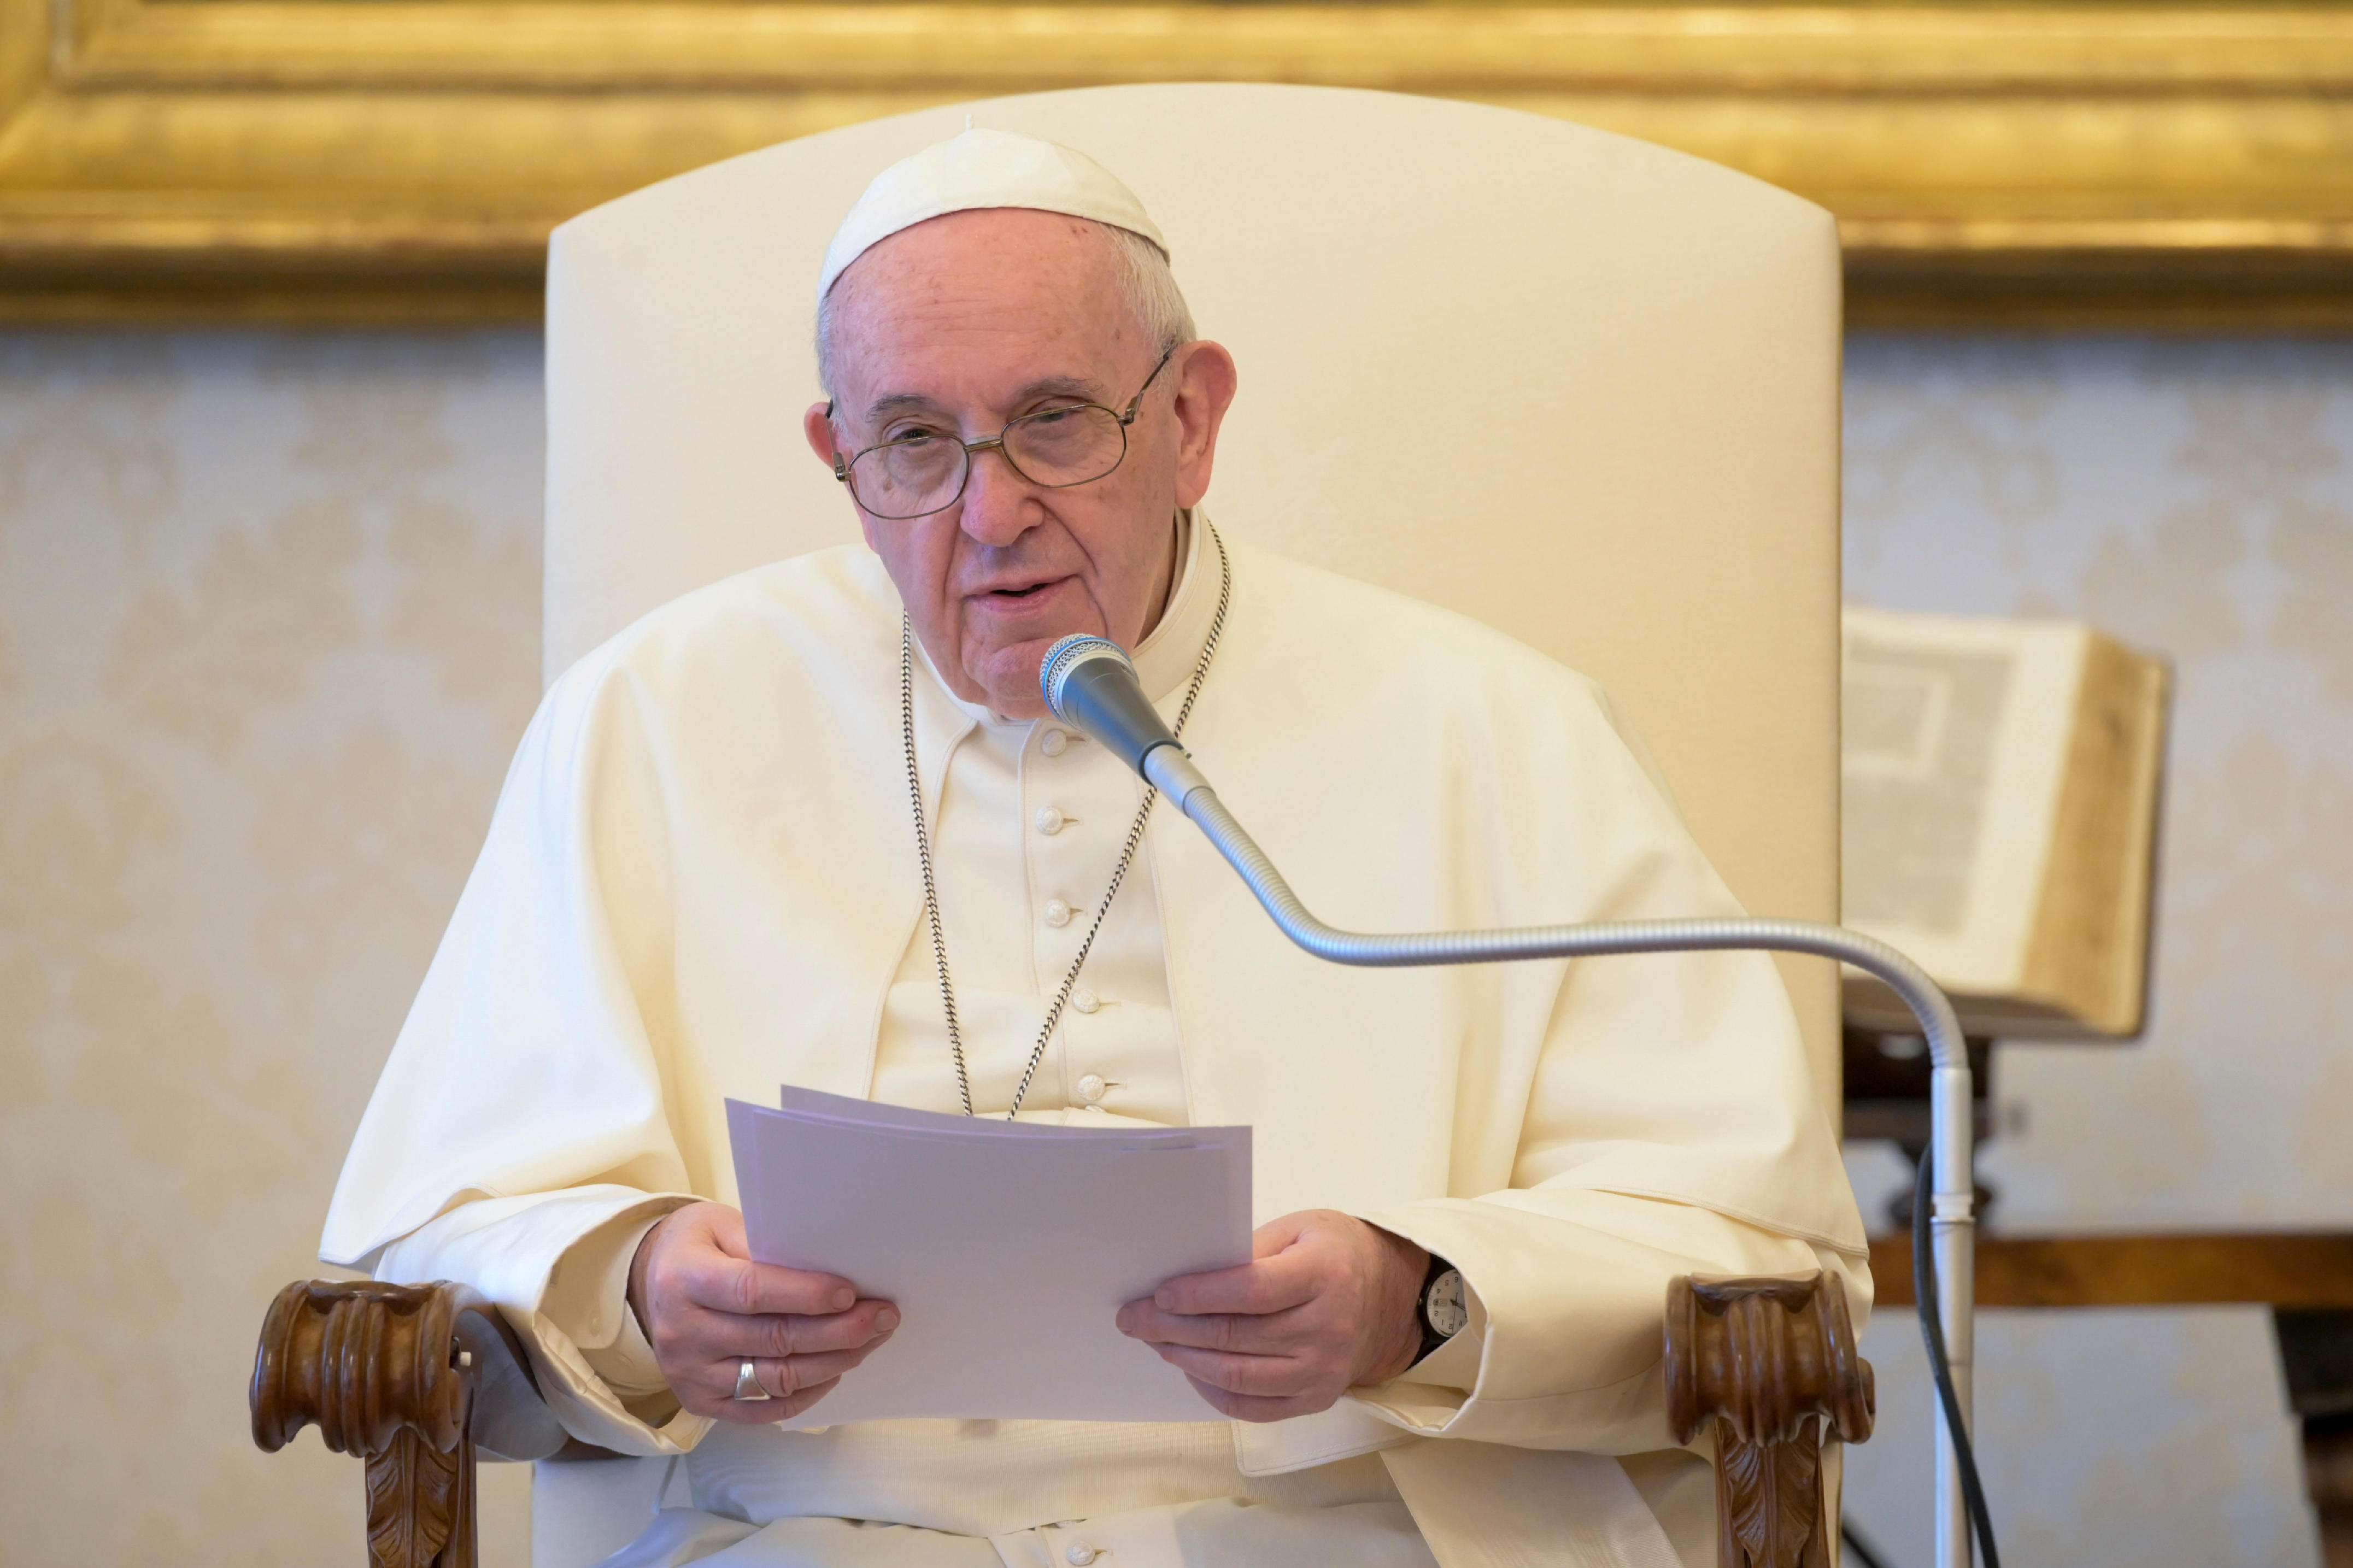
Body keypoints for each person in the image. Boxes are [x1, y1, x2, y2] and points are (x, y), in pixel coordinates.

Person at [323, 127, 1867, 1567]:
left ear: (1189, 418)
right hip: (794, 1532)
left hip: (1347, 1530)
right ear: (835, 456)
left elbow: (1758, 1267)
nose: (987, 514)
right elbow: (432, 1249)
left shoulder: (1490, 726)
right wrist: (641, 1284)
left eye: (1054, 422)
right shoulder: (650, 720)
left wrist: (1420, 1300)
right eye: (913, 444)